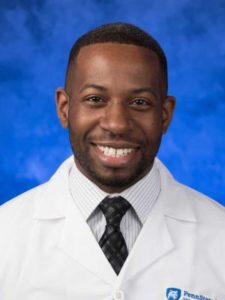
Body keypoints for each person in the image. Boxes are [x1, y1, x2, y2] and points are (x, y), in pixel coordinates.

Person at [0, 22, 224, 300]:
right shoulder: (5, 236)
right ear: (64, 108)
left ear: (165, 115)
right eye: (95, 99)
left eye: (140, 102)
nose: (117, 124)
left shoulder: (219, 235)